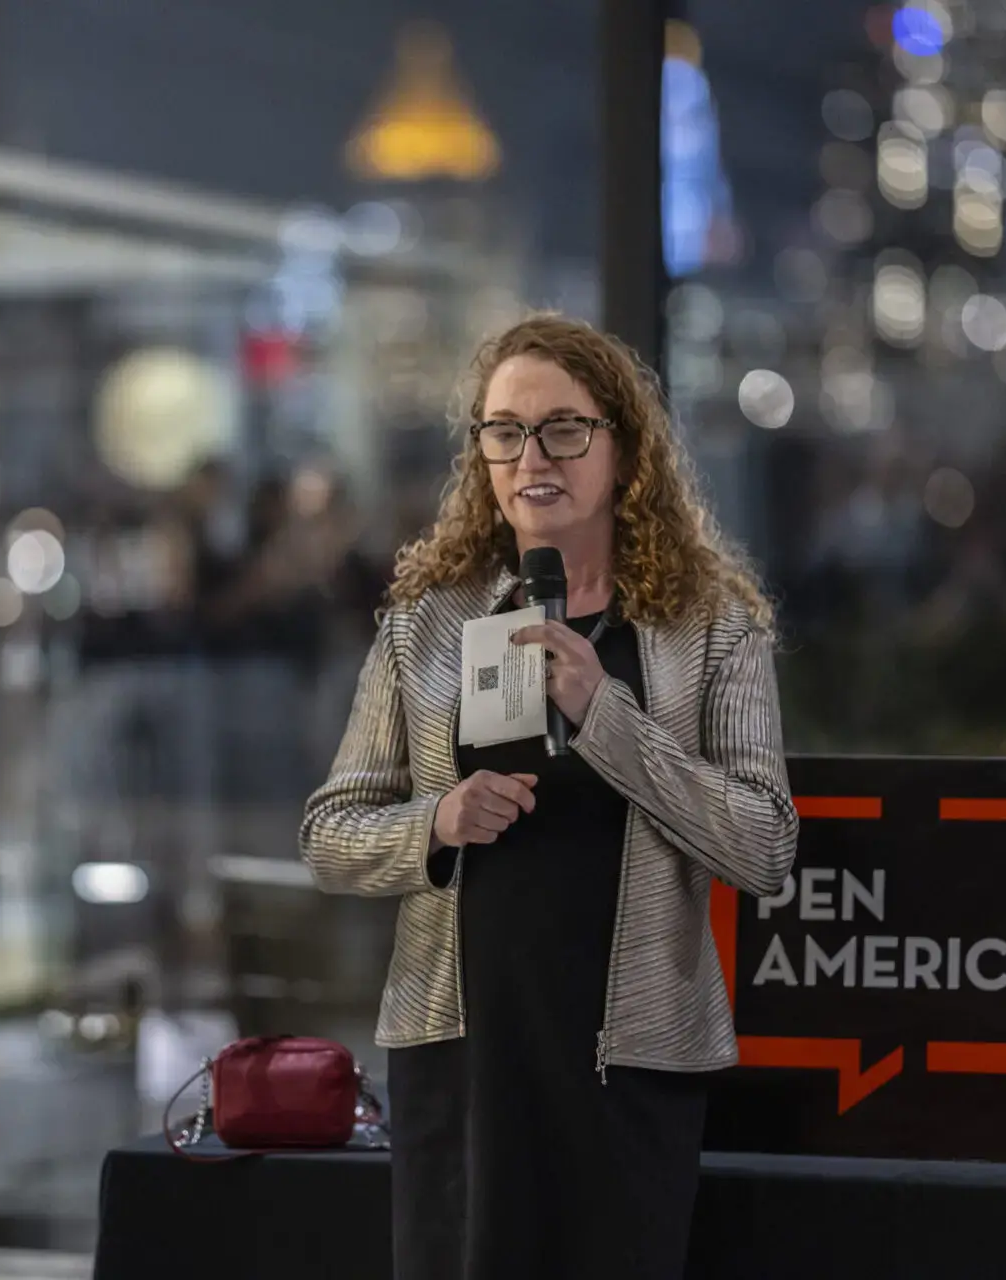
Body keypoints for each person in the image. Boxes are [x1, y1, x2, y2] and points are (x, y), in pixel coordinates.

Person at [299, 314, 798, 1280]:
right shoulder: (427, 624)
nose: (534, 456)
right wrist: (437, 823)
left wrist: (604, 715)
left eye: (565, 428)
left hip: (632, 1063)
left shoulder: (710, 629)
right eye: (504, 431)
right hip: (463, 1059)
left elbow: (763, 845)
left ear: (623, 449)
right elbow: (329, 833)